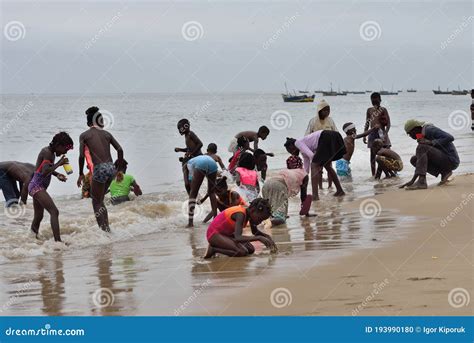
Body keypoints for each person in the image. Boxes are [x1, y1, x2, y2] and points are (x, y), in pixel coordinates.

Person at [77, 106, 124, 232]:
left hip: (99, 168)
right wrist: (119, 170)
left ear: (88, 123)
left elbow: (81, 155)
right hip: (111, 168)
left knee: (96, 202)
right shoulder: (107, 134)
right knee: (100, 200)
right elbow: (120, 150)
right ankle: (107, 228)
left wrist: (81, 173)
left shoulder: (84, 135)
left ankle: (104, 232)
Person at [29, 132, 73, 242]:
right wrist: (59, 163)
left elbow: (46, 168)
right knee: (54, 211)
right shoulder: (48, 153)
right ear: (58, 145)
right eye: (65, 149)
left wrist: (57, 174)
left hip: (37, 186)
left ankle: (32, 240)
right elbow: (44, 172)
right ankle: (58, 242)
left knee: (39, 216)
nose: (65, 152)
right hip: (37, 186)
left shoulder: (51, 153)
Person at [204, 198, 277, 258]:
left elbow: (255, 232)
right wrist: (259, 238)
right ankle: (213, 249)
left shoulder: (250, 215)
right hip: (214, 234)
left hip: (226, 234)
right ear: (253, 211)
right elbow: (238, 237)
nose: (260, 222)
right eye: (259, 219)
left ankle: (221, 246)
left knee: (251, 249)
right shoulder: (240, 214)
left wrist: (267, 237)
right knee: (242, 252)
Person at [284, 131, 346, 201]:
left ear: (292, 146)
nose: (292, 153)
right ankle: (340, 190)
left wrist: (316, 166)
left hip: (325, 136)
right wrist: (301, 178)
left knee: (314, 165)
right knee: (327, 166)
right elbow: (306, 170)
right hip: (334, 135)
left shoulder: (297, 142)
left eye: (290, 150)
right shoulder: (303, 151)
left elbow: (311, 156)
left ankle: (315, 196)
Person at [400, 119, 459, 190]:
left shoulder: (429, 130)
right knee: (414, 159)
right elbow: (420, 161)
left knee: (421, 147)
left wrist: (431, 142)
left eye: (409, 133)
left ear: (415, 129)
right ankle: (444, 172)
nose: (410, 136)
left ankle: (422, 182)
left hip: (451, 160)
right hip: (443, 160)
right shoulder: (421, 135)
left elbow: (450, 137)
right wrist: (412, 180)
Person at [261, 155, 311, 226]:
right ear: (300, 163)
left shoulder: (285, 171)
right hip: (279, 186)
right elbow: (303, 195)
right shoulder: (304, 174)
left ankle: (264, 222)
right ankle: (270, 223)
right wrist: (306, 212)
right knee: (281, 218)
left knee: (269, 211)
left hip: (266, 184)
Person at [184, 155, 218, 227]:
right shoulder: (194, 160)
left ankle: (190, 223)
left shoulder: (187, 165)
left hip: (201, 164)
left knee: (193, 193)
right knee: (212, 192)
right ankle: (216, 219)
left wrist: (191, 196)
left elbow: (187, 184)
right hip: (213, 163)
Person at [364, 92, 391, 176]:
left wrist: (385, 134)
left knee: (385, 154)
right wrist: (364, 135)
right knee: (372, 156)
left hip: (382, 133)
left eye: (376, 100)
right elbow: (367, 123)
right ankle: (373, 175)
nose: (374, 102)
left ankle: (387, 173)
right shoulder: (369, 110)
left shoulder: (383, 109)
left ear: (380, 100)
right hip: (372, 134)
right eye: (373, 100)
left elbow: (389, 123)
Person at [175, 119, 203, 193]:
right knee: (188, 183)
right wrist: (180, 149)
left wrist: (191, 153)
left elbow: (200, 144)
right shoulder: (186, 136)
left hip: (197, 157)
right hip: (192, 159)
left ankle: (192, 196)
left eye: (180, 128)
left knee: (189, 183)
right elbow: (189, 149)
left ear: (186, 126)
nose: (179, 131)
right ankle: (192, 197)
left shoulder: (190, 134)